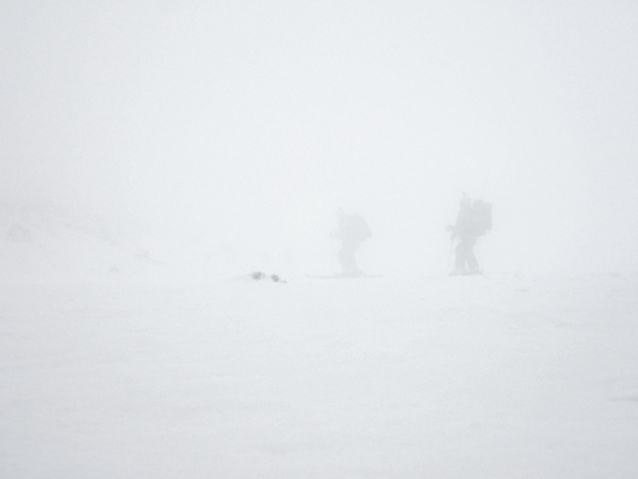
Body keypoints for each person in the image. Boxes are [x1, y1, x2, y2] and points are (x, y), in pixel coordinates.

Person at [446, 194, 489, 275]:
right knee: (466, 250)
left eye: (461, 202)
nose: (460, 203)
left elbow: (461, 225)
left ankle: (461, 268)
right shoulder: (470, 211)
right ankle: (473, 268)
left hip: (469, 236)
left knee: (460, 249)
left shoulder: (465, 211)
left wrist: (453, 229)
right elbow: (463, 225)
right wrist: (454, 231)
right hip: (471, 236)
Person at [332, 209, 371, 277]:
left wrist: (335, 235)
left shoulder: (345, 221)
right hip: (354, 241)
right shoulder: (346, 220)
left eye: (337, 215)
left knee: (344, 254)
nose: (337, 217)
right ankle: (352, 270)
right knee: (346, 255)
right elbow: (346, 233)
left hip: (352, 242)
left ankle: (351, 271)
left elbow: (346, 233)